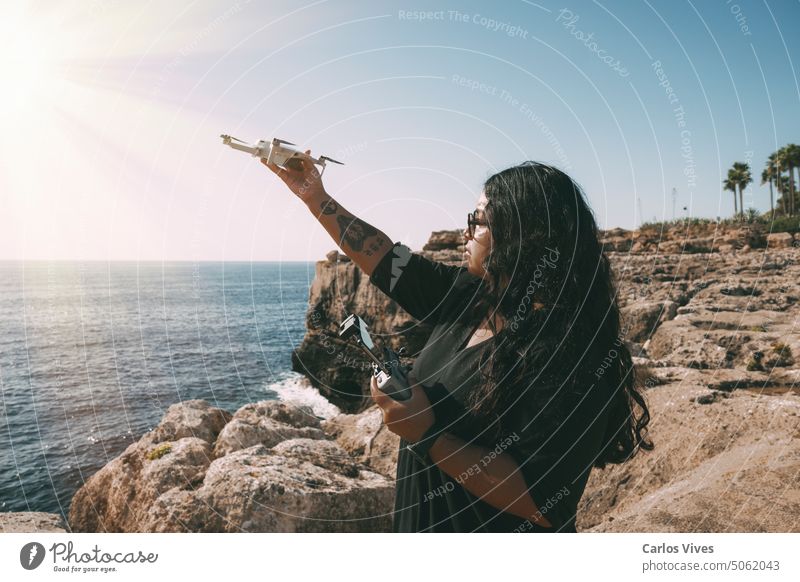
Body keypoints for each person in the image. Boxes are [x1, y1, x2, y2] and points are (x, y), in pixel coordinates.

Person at [264, 151, 654, 532]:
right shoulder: (471, 294)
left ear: (524, 236)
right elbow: (384, 257)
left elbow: (542, 501)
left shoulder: (573, 351)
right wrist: (315, 196)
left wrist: (428, 434)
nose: (465, 229)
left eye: (478, 220)